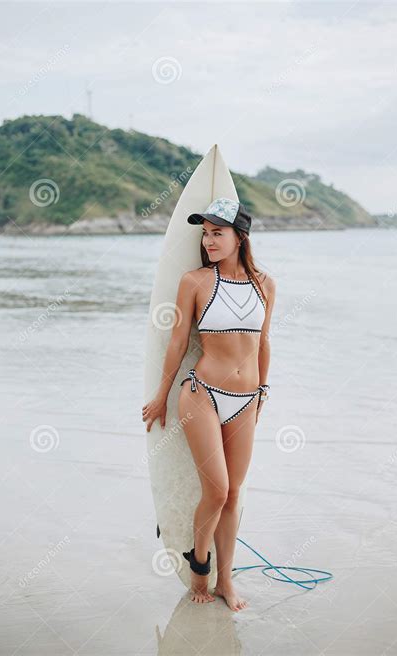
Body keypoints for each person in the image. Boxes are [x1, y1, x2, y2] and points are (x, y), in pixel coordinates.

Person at [142, 197, 276, 611]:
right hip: (201, 394)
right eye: (205, 233)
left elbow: (263, 343)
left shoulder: (265, 284)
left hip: (246, 400)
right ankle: (199, 562)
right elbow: (178, 342)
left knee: (234, 494)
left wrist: (263, 392)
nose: (209, 240)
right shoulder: (195, 281)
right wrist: (161, 395)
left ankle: (226, 581)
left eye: (218, 232)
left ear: (240, 237)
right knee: (216, 491)